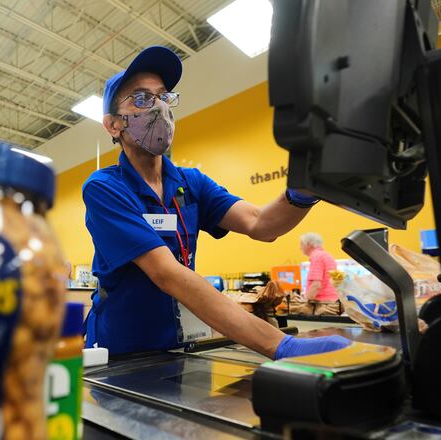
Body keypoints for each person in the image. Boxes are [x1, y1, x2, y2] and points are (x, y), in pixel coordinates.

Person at [82, 46, 350, 359]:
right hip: (122, 354)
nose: (159, 107)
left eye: (164, 96)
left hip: (180, 348)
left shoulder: (190, 182)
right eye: (141, 98)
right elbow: (167, 273)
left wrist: (303, 190)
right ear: (114, 125)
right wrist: (278, 343)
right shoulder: (104, 188)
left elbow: (261, 224)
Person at [299, 233, 342, 316]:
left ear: (308, 244)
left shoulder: (316, 257)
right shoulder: (327, 255)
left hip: (322, 303)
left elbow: (316, 285)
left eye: (302, 244)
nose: (300, 248)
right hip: (333, 302)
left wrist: (305, 301)